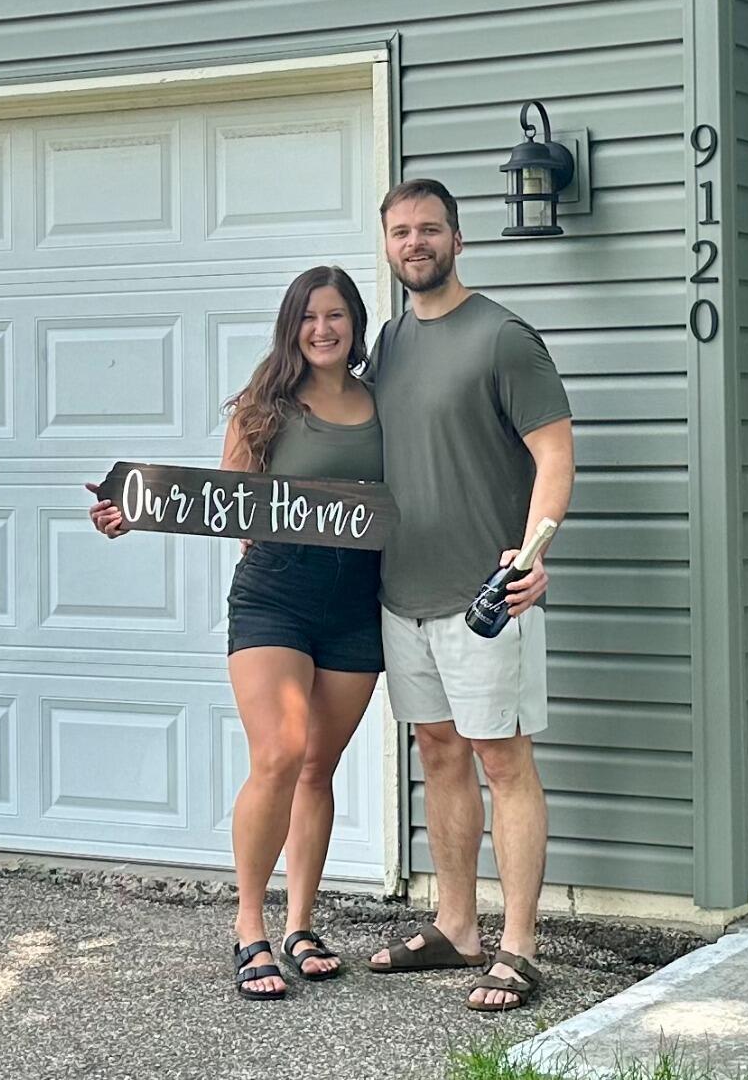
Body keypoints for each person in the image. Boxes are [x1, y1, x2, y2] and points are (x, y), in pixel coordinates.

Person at [85, 264, 383, 1001]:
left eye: (336, 315)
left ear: (355, 323)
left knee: (317, 767)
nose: (322, 328)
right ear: (291, 326)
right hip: (275, 594)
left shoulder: (384, 403)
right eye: (308, 316)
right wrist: (134, 510)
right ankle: (250, 926)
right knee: (279, 752)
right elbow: (220, 501)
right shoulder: (264, 407)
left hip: (357, 600)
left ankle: (300, 925)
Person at [363, 178, 573, 1013]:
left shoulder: (503, 338)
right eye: (400, 231)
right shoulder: (388, 344)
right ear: (387, 245)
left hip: (487, 600)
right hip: (403, 593)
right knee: (439, 752)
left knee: (503, 760)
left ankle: (518, 946)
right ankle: (457, 928)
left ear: (458, 239)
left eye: (429, 229)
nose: (415, 243)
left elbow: (554, 454)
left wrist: (533, 552)